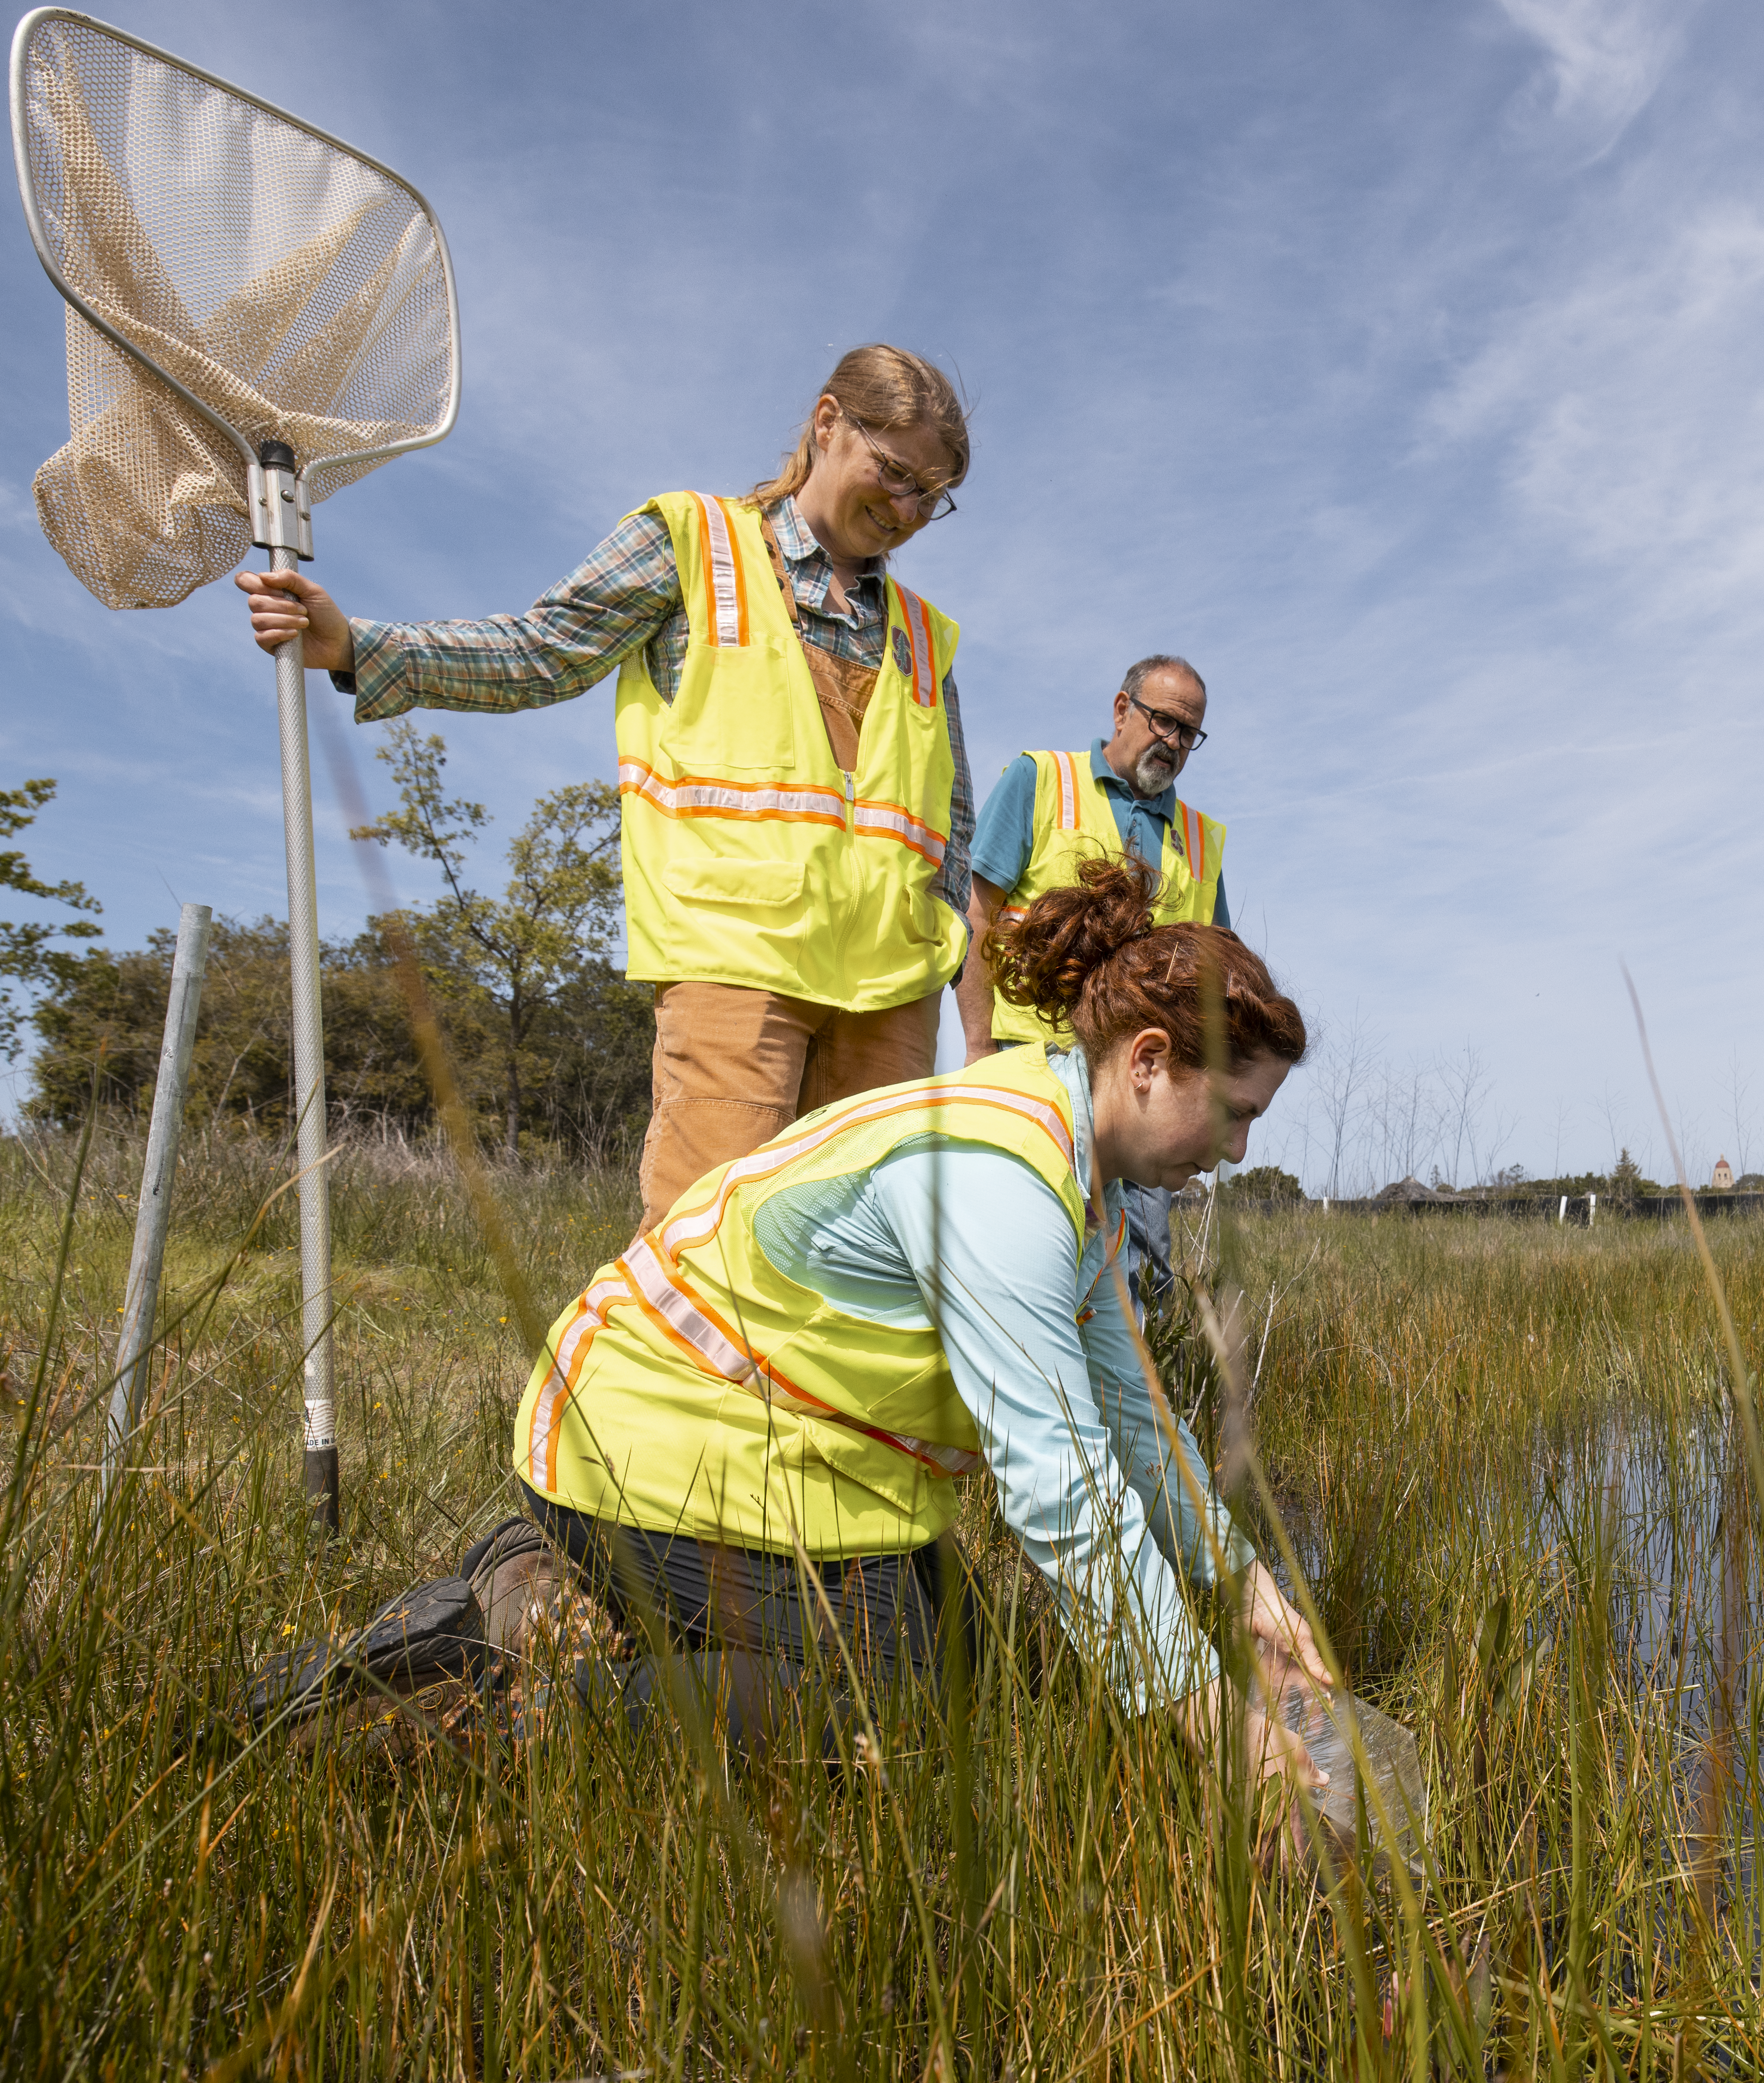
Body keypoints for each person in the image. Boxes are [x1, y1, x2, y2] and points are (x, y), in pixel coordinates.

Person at [478, 858, 1330, 1776]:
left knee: (969, 1666)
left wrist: (1240, 1579)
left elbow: (1129, 1419)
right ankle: (516, 1712)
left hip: (782, 1465)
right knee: (897, 1714)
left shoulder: (1078, 1183)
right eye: (1236, 1114)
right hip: (638, 1457)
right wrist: (1221, 1730)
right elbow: (1059, 1485)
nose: (1239, 1152)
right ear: (1151, 1061)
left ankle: (576, 1600)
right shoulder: (999, 1179)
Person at [239, 344, 978, 1232]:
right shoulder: (693, 544)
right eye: (892, 473)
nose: (905, 510)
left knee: (862, 1260)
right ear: (827, 424)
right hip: (738, 964)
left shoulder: (926, 638)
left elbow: (950, 822)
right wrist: (360, 649)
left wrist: (940, 951)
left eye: (929, 496)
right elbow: (539, 651)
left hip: (890, 995)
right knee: (708, 1247)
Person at [956, 655, 1230, 1296]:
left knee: (1137, 1271)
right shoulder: (1039, 780)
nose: (1173, 742)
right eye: (1163, 720)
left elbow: (1215, 978)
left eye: (1189, 733)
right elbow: (977, 917)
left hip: (1144, 1090)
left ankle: (1127, 1392)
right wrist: (976, 1048)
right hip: (1032, 1066)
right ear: (1120, 709)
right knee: (1026, 1249)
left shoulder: (1201, 839)